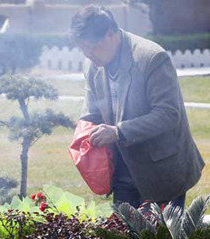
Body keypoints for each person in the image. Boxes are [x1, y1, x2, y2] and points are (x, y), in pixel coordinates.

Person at [70, 5, 204, 209]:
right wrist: (84, 130)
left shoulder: (151, 58)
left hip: (162, 168)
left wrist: (118, 131)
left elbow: (168, 114)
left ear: (110, 34)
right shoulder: (92, 65)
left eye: (92, 47)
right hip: (122, 169)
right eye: (83, 49)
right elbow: (92, 111)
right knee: (123, 236)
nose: (88, 54)